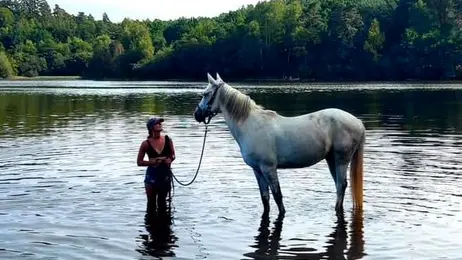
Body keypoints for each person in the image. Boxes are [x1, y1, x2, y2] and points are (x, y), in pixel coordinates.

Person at [137, 117, 176, 213]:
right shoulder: (145, 144)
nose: (160, 124)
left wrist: (169, 160)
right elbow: (139, 162)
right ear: (151, 128)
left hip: (165, 176)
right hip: (151, 177)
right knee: (151, 205)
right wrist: (152, 162)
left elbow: (173, 155)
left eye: (160, 123)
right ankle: (150, 226)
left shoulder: (168, 140)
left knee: (162, 203)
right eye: (157, 123)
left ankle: (164, 226)